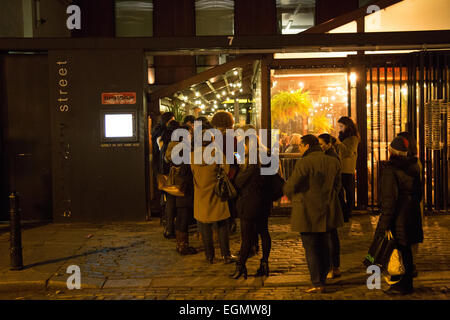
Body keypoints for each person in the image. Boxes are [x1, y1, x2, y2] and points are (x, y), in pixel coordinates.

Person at [283, 135, 343, 293]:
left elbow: (292, 185)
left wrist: (291, 196)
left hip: (307, 210)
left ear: (307, 146)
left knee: (311, 248)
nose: (300, 149)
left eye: (301, 146)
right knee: (324, 246)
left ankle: (317, 282)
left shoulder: (305, 162)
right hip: (327, 210)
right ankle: (322, 278)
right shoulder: (333, 161)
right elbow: (338, 185)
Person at [374, 136, 423, 295]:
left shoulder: (391, 170)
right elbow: (419, 194)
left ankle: (401, 283)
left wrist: (383, 226)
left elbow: (389, 200)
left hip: (398, 216)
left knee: (397, 249)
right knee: (406, 250)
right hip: (411, 213)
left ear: (391, 151)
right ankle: (406, 283)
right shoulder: (414, 167)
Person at [230, 125, 272, 280]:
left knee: (247, 236)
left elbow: (238, 182)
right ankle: (264, 263)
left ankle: (241, 266)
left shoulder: (251, 164)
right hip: (263, 202)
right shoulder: (266, 158)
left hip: (249, 204)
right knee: (264, 232)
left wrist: (239, 164)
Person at [190, 128, 236, 264]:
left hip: (200, 194)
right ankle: (226, 254)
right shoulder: (217, 154)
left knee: (204, 226)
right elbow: (226, 170)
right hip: (217, 194)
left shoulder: (192, 156)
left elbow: (192, 172)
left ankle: (209, 256)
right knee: (222, 224)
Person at [165, 124, 197, 255]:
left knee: (180, 215)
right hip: (185, 187)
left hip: (176, 185)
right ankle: (183, 246)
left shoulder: (175, 147)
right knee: (183, 215)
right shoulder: (187, 149)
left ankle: (180, 244)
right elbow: (187, 170)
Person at [397, 131, 423, 278]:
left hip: (407, 204)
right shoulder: (414, 162)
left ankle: (408, 265)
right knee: (411, 235)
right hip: (413, 204)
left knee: (407, 236)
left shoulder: (409, 163)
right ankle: (410, 264)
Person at [210, 111, 239, 235]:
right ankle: (230, 222)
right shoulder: (232, 137)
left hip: (217, 170)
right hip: (231, 171)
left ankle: (219, 225)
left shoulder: (213, 137)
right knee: (230, 197)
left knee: (219, 197)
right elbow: (237, 154)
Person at [318, 133, 342, 280]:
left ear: (328, 144)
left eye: (321, 144)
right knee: (331, 235)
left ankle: (333, 266)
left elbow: (336, 183)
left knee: (330, 236)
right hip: (330, 200)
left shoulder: (331, 158)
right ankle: (334, 266)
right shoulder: (330, 156)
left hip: (329, 201)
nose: (320, 146)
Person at [335, 116, 360, 222]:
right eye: (339, 126)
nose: (340, 128)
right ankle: (343, 212)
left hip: (348, 169)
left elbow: (348, 152)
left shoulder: (353, 138)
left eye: (341, 126)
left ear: (347, 126)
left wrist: (339, 144)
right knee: (339, 192)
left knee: (349, 192)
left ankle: (347, 212)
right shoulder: (341, 137)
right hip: (339, 168)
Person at [160, 120, 179, 239]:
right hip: (173, 175)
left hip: (166, 174)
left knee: (169, 203)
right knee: (175, 204)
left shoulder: (163, 140)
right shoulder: (176, 143)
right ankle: (173, 229)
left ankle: (168, 228)